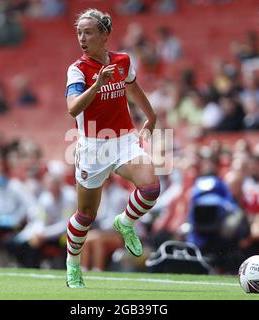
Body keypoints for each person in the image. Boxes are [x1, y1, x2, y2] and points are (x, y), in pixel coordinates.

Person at [65, 9, 160, 288]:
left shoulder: (122, 60)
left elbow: (132, 86)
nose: (82, 38)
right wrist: (96, 85)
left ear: (105, 35)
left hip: (123, 140)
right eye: (80, 33)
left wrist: (151, 116)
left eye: (88, 32)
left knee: (151, 187)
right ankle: (73, 265)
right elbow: (73, 109)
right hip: (93, 146)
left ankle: (125, 222)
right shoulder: (78, 70)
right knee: (86, 215)